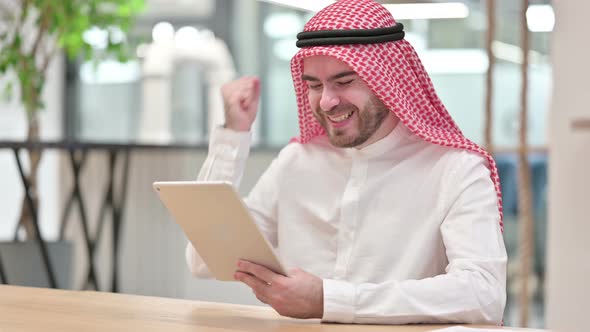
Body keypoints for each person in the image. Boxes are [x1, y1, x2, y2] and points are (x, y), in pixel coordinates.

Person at [186, 0, 507, 325]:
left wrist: (329, 300)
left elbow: (483, 293)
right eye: (313, 85)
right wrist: (232, 137)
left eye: (344, 82)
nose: (326, 101)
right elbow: (204, 260)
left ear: (387, 79)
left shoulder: (456, 169)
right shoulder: (297, 161)